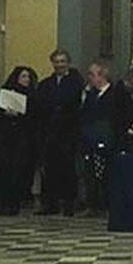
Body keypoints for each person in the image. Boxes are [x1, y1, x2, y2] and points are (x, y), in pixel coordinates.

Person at [77, 61, 133, 216]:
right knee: (91, 173)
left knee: (108, 174)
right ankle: (93, 204)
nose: (90, 78)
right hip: (91, 140)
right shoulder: (90, 95)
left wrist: (115, 133)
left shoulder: (117, 94)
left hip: (111, 141)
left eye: (92, 74)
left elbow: (126, 115)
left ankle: (107, 205)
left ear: (102, 75)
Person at [37, 49, 84, 215]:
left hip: (68, 131)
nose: (59, 65)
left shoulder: (76, 82)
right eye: (57, 62)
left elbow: (74, 103)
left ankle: (69, 203)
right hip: (50, 131)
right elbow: (41, 103)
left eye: (62, 61)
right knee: (50, 168)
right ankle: (50, 203)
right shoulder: (46, 84)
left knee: (68, 168)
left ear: (68, 63)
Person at [0, 66, 39, 215]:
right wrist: (6, 114)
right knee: (2, 169)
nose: (26, 80)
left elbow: (34, 117)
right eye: (23, 76)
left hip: (22, 138)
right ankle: (1, 202)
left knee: (18, 170)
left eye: (28, 77)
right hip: (4, 137)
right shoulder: (4, 92)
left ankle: (13, 203)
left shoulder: (33, 96)